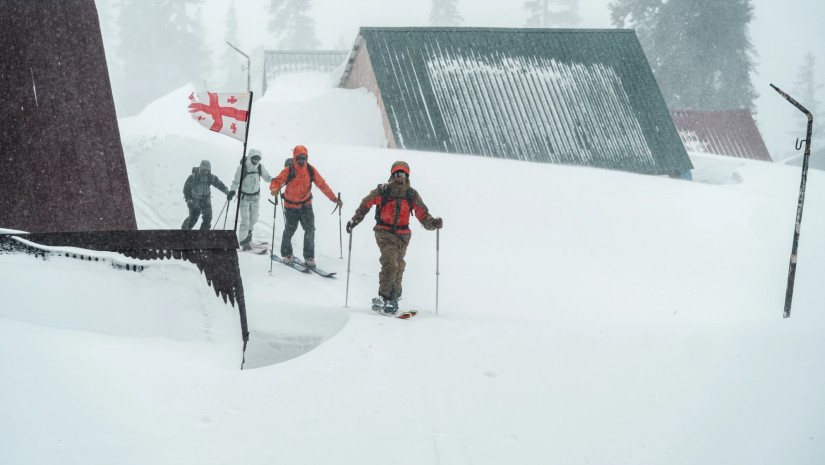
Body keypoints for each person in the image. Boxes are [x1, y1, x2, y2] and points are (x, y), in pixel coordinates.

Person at [346, 161, 443, 315]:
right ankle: (386, 298)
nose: (399, 177)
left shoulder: (411, 194)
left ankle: (395, 297)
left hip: (403, 235)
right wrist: (354, 221)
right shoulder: (383, 191)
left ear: (407, 176)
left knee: (399, 265)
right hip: (383, 232)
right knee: (391, 263)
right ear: (392, 175)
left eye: (403, 174)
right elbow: (365, 204)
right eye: (397, 174)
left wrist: (433, 223)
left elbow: (422, 214)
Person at [269, 145, 342, 266]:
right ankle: (287, 254)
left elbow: (322, 185)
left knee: (310, 230)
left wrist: (334, 198)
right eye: (299, 158)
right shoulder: (289, 170)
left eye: (304, 158)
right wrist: (274, 189)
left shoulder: (310, 169)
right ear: (295, 158)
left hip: (306, 205)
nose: (302, 161)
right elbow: (276, 182)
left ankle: (309, 257)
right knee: (290, 230)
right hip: (291, 206)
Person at [230, 149, 273, 250]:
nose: (256, 160)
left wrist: (274, 180)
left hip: (255, 197)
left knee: (253, 219)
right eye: (254, 158)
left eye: (258, 158)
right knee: (245, 220)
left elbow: (267, 177)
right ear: (250, 157)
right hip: (244, 198)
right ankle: (243, 242)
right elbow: (236, 181)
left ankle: (248, 236)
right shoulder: (242, 168)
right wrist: (232, 191)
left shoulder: (260, 167)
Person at [181, 160, 234, 230]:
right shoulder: (193, 177)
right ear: (200, 169)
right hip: (195, 199)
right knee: (194, 217)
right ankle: (184, 231)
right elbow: (186, 189)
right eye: (203, 170)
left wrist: (228, 193)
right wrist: (189, 200)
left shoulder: (211, 177)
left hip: (206, 199)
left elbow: (219, 185)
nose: (205, 172)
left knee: (208, 217)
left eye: (207, 171)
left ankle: (204, 233)